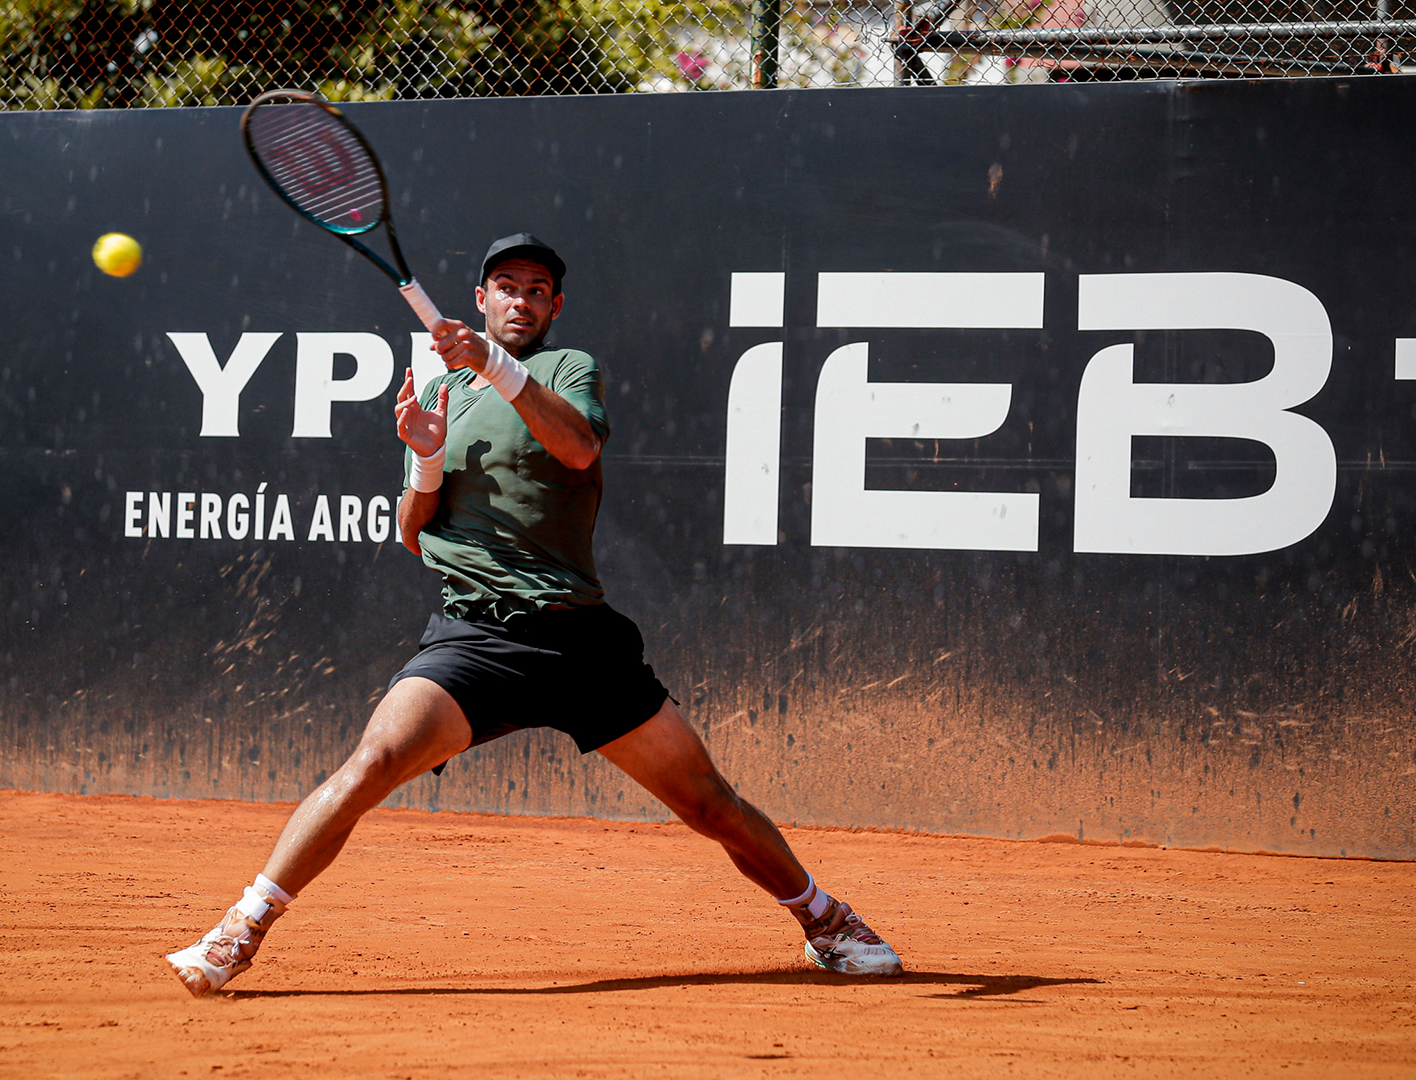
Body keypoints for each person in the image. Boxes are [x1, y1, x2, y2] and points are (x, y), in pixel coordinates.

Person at [164, 234, 902, 996]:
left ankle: (827, 920)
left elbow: (577, 448)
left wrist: (494, 365)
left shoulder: (566, 370)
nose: (521, 300)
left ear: (554, 307)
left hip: (579, 642)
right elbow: (412, 531)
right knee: (372, 764)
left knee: (710, 805)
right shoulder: (441, 391)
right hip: (477, 637)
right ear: (480, 299)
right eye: (507, 286)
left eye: (537, 290)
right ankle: (238, 931)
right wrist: (425, 456)